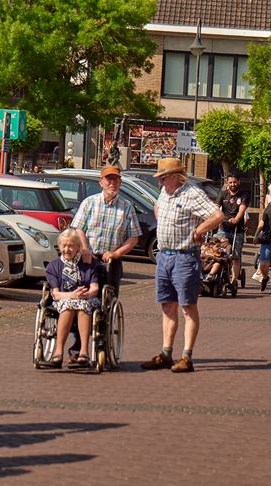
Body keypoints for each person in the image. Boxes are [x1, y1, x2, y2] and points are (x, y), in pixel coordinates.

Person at [142, 158, 224, 373]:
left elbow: (217, 215)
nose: (160, 182)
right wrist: (164, 221)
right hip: (164, 256)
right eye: (159, 178)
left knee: (187, 306)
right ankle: (166, 353)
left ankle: (187, 356)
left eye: (163, 177)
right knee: (167, 305)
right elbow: (157, 207)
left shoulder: (192, 193)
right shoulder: (165, 191)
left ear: (177, 176)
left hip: (184, 257)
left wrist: (199, 230)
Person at [71, 164, 142, 297]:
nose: (112, 183)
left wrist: (116, 253)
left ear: (120, 183)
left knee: (108, 299)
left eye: (115, 179)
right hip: (87, 258)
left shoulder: (127, 207)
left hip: (112, 262)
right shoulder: (89, 202)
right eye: (109, 179)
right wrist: (85, 249)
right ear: (101, 182)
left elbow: (133, 238)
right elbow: (78, 229)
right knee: (84, 297)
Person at [43, 229, 101, 368]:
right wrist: (72, 295)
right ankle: (58, 352)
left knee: (82, 306)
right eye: (64, 246)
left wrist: (86, 295)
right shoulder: (53, 266)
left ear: (78, 247)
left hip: (86, 298)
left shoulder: (88, 264)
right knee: (68, 306)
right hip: (64, 299)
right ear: (59, 246)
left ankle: (83, 352)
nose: (66, 249)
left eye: (70, 246)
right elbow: (56, 294)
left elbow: (95, 288)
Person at [216, 174, 250, 292]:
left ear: (238, 182)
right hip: (223, 228)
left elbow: (242, 209)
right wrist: (215, 218)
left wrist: (236, 219)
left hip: (237, 230)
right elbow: (216, 207)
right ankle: (218, 275)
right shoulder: (223, 194)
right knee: (219, 253)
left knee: (235, 256)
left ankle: (234, 280)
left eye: (234, 182)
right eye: (230, 182)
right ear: (227, 183)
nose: (232, 184)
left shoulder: (244, 194)